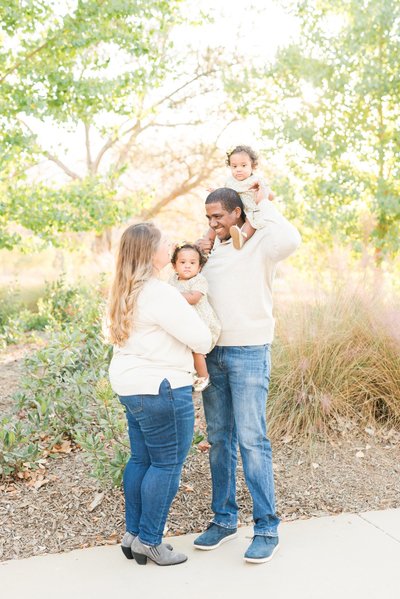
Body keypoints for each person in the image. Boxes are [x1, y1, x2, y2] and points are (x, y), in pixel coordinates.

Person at [193, 187, 301, 563]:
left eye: (218, 216)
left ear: (238, 212)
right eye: (208, 217)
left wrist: (264, 199)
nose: (212, 222)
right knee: (220, 439)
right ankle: (224, 521)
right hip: (212, 353)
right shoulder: (212, 249)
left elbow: (291, 239)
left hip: (249, 352)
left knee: (253, 440)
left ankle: (267, 527)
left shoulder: (260, 245)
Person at [107, 222, 212, 566]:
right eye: (165, 242)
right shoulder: (160, 293)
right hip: (161, 388)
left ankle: (132, 535)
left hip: (131, 386)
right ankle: (150, 541)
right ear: (151, 253)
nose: (171, 246)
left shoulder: (124, 290)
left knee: (142, 460)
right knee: (166, 464)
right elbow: (201, 339)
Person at [169, 242, 221, 392]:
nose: (187, 266)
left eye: (192, 263)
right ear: (174, 266)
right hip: (185, 323)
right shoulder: (172, 281)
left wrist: (171, 295)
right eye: (182, 262)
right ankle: (189, 377)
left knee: (197, 350)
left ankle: (204, 378)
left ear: (199, 267)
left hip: (202, 324)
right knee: (183, 349)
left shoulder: (199, 280)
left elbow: (193, 298)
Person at [205, 145, 275, 251]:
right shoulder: (230, 181)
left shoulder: (256, 180)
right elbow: (225, 194)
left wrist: (262, 192)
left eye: (243, 165)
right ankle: (207, 241)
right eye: (234, 166)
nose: (238, 170)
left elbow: (271, 196)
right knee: (217, 218)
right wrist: (216, 191)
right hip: (235, 209)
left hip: (250, 209)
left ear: (253, 166)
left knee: (250, 221)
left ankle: (241, 238)